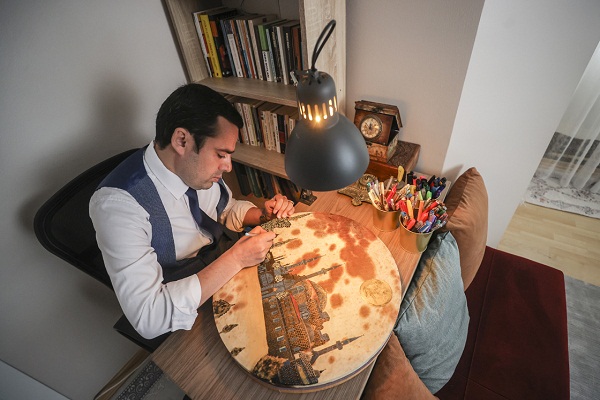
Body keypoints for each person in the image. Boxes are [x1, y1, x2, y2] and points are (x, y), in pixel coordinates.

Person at [89, 83, 295, 341]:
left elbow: (224, 209)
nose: (228, 167)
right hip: (184, 311)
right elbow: (149, 317)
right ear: (182, 140)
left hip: (225, 269)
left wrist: (263, 216)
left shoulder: (196, 169)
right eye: (221, 154)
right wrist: (236, 259)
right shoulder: (117, 206)